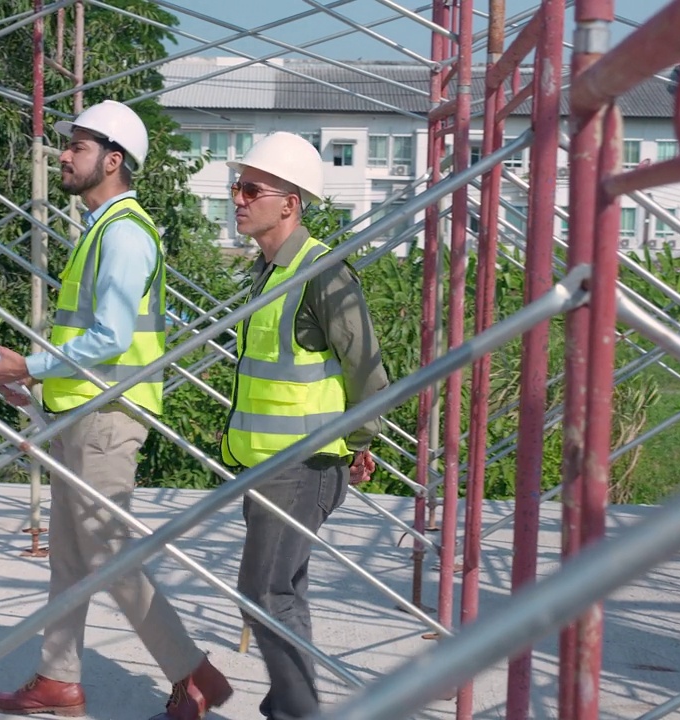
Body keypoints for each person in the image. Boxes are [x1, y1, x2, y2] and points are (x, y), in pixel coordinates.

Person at [0, 99, 231, 720]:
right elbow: (84, 340)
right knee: (72, 559)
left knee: (107, 556)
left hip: (107, 418)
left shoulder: (121, 232)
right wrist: (37, 388)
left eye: (79, 146)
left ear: (113, 160)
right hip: (82, 413)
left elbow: (113, 338)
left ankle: (195, 675)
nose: (64, 155)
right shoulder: (100, 228)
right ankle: (57, 680)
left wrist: (31, 367)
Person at [220, 131, 389, 720]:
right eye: (235, 187)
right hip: (272, 465)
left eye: (250, 189)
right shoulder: (270, 271)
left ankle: (297, 712)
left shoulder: (321, 273)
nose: (237, 199)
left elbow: (368, 369)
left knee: (264, 595)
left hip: (301, 465)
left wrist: (358, 443)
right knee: (283, 592)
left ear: (290, 202)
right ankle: (296, 705)